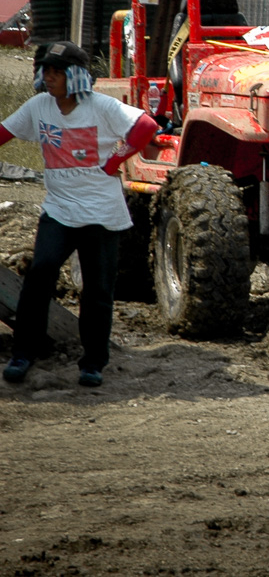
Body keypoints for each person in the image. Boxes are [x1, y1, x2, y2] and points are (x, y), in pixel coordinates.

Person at [1, 42, 158, 388]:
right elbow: (4, 133)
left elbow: (146, 126)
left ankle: (93, 363)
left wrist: (117, 160)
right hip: (59, 210)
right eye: (46, 71)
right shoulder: (39, 106)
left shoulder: (100, 107)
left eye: (57, 71)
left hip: (101, 214)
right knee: (39, 275)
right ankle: (23, 353)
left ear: (75, 76)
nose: (50, 77)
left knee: (98, 290)